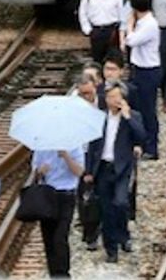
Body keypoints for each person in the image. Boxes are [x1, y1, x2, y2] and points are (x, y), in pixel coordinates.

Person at [84, 80, 146, 263]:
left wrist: (127, 116)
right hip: (103, 167)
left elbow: (142, 136)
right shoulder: (100, 117)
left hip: (122, 167)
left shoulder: (133, 116)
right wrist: (88, 171)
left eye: (117, 97)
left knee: (120, 202)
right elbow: (92, 146)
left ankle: (123, 235)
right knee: (106, 209)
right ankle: (111, 249)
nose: (113, 100)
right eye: (110, 97)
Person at [32, 147, 85, 278]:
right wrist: (40, 171)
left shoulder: (75, 146)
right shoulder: (41, 147)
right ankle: (53, 273)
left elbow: (79, 172)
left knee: (60, 237)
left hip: (66, 195)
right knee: (48, 237)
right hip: (47, 194)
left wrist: (67, 157)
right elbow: (34, 172)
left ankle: (63, 273)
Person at [124, 0, 161, 160]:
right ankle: (141, 143)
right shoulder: (144, 23)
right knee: (137, 108)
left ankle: (152, 148)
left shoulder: (149, 24)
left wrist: (129, 25)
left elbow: (130, 41)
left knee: (148, 110)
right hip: (138, 69)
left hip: (148, 71)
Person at [71, 74, 102, 251]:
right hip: (82, 155)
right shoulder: (73, 106)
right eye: (82, 94)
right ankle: (90, 233)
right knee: (85, 197)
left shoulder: (104, 103)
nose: (86, 98)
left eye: (88, 93)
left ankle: (98, 228)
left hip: (101, 155)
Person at [78, 0, 125, 65]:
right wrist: (88, 30)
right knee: (98, 62)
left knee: (113, 61)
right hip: (96, 31)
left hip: (112, 31)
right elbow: (83, 13)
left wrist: (121, 35)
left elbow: (122, 15)